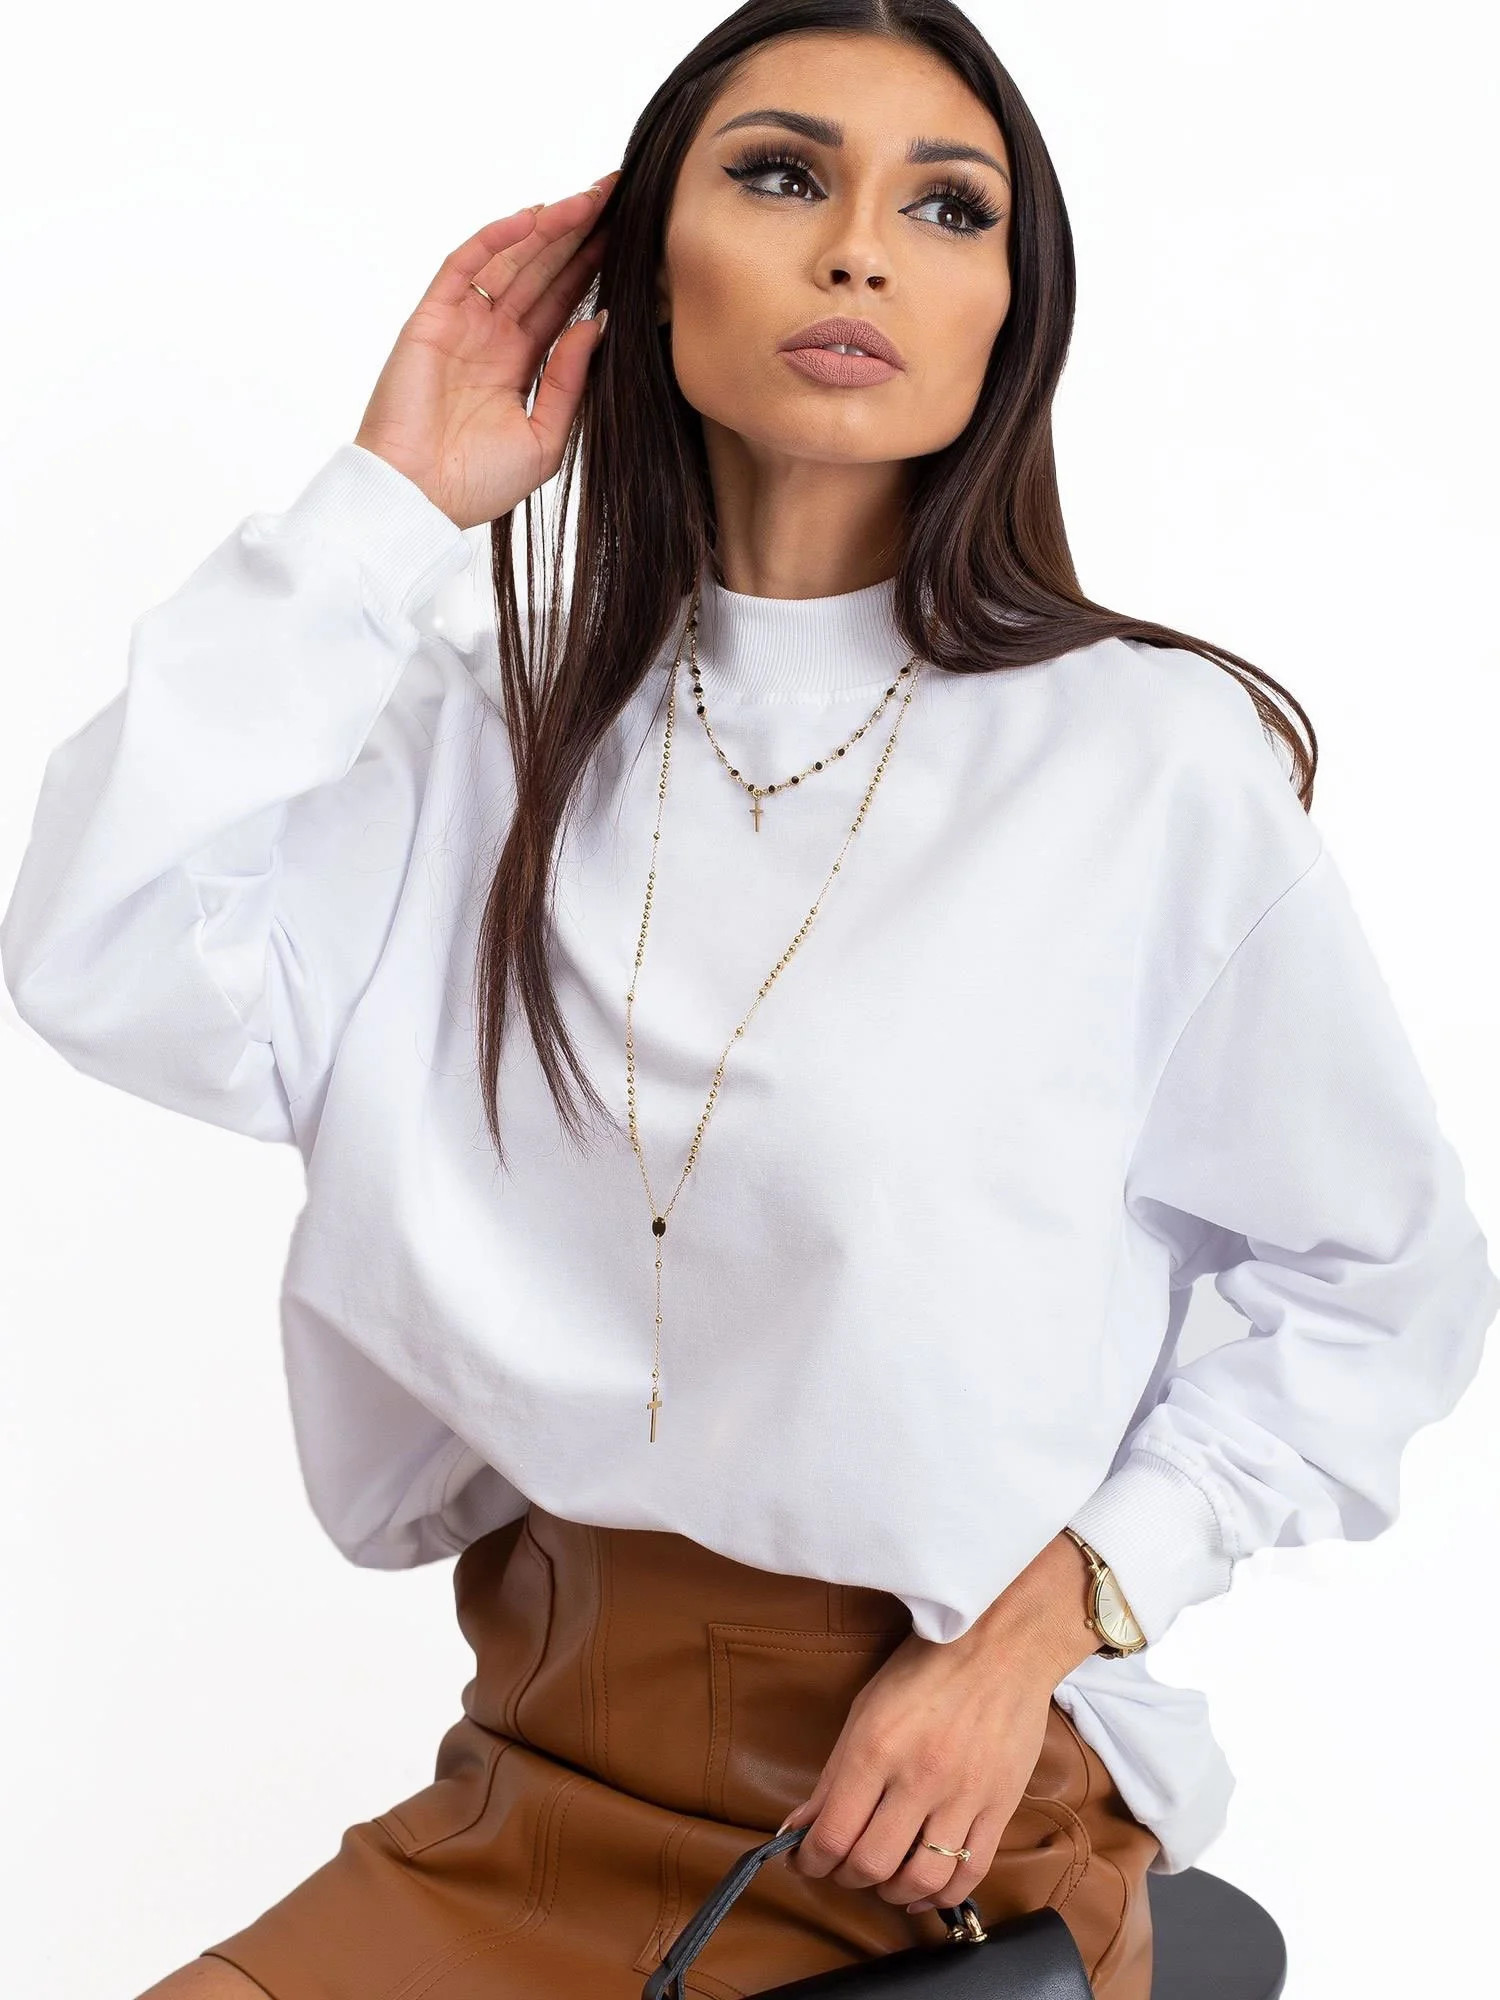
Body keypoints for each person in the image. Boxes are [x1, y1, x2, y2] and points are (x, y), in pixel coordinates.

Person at [4, 4, 1496, 1997]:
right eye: (783, 176)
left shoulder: (1142, 766)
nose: (860, 249)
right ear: (644, 266)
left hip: (926, 1819)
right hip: (536, 1777)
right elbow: (98, 949)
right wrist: (392, 504)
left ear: (1009, 315)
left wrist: (1036, 1634)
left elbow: (1380, 1281)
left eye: (946, 208)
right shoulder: (476, 732)